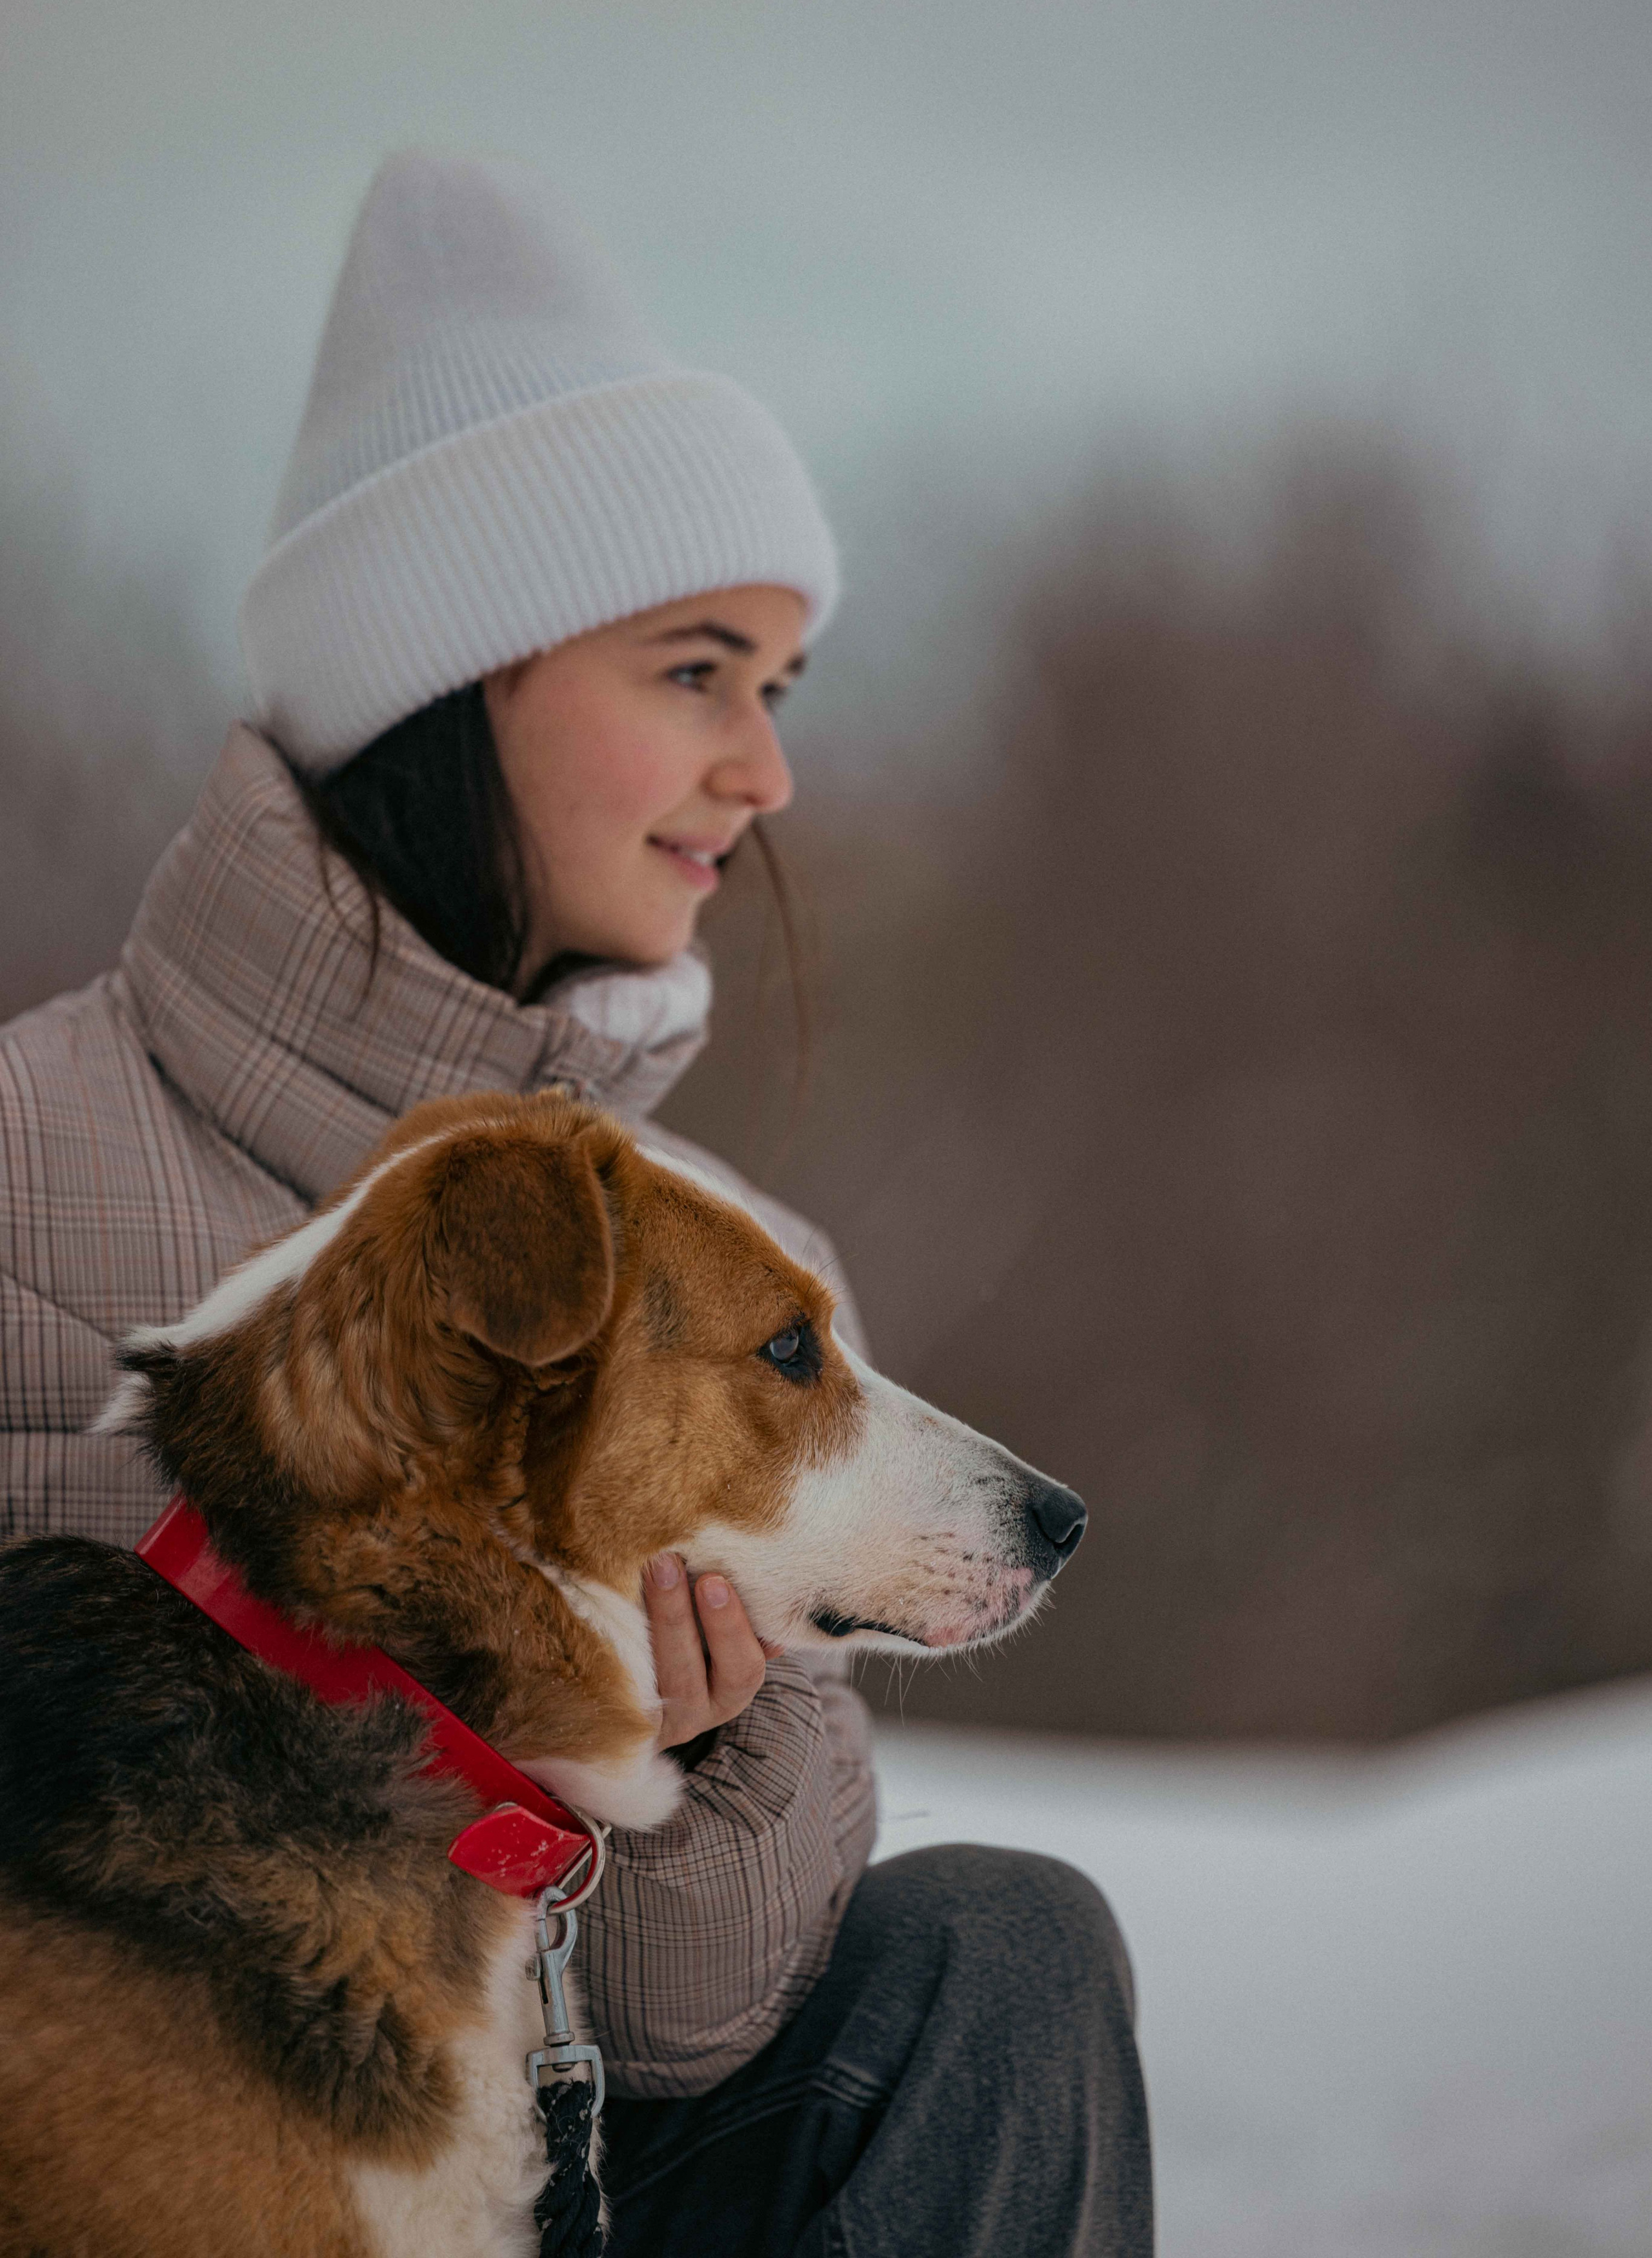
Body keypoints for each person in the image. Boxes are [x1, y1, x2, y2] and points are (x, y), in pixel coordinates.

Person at [0, 151, 1152, 2253]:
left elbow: (706, 2040)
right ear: (464, 676)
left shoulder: (701, 1251)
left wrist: (695, 1765)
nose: (766, 774)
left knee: (1001, 1960)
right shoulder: (25, 1155)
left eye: (781, 692)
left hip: (545, 2145)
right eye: (697, 672)